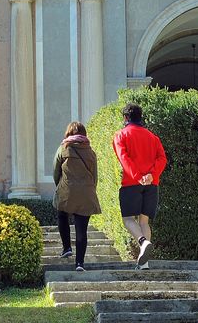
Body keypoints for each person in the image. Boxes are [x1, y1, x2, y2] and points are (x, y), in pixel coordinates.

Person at [113, 102, 166, 268]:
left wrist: (138, 176)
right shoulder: (153, 137)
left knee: (128, 219)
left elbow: (124, 159)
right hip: (152, 184)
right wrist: (151, 175)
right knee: (144, 221)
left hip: (131, 183)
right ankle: (144, 263)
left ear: (125, 118)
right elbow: (162, 158)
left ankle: (143, 242)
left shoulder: (120, 135)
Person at [53, 121, 102, 271]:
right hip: (86, 193)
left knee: (62, 215)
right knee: (82, 229)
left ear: (68, 133)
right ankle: (79, 263)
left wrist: (60, 186)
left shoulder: (63, 148)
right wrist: (89, 189)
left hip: (68, 190)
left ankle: (67, 247)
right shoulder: (91, 152)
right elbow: (94, 176)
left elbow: (56, 171)